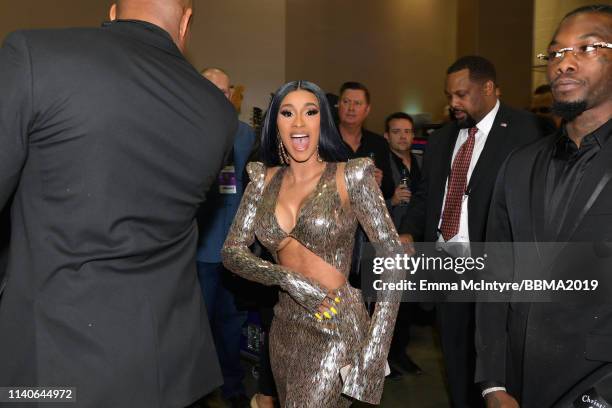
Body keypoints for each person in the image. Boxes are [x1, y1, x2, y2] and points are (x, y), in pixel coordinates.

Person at [0, 1, 237, 407]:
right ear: (185, 22)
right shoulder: (217, 110)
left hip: (53, 367)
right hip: (169, 367)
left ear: (112, 12)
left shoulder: (35, 57)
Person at [222, 80, 403, 406]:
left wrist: (374, 355)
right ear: (275, 123)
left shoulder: (352, 176)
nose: (299, 123)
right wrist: (285, 277)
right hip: (284, 326)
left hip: (336, 323)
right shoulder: (262, 180)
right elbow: (232, 251)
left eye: (310, 112)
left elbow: (393, 259)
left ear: (324, 121)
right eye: (287, 113)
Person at [476, 5, 612, 407]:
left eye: (586, 48)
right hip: (519, 384)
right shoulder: (519, 165)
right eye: (555, 53)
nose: (564, 64)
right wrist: (493, 383)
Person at [399, 56, 541, 407]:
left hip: (498, 270)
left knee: (499, 364)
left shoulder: (530, 131)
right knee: (457, 357)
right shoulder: (442, 138)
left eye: (461, 95)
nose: (453, 104)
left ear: (489, 88)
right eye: (449, 95)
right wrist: (408, 232)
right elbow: (426, 195)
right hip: (448, 264)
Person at [196, 67, 255, 408]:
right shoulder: (186, 132)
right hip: (199, 253)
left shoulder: (246, 136)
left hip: (234, 253)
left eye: (224, 90)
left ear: (232, 93)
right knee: (199, 324)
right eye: (211, 89)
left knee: (232, 324)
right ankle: (200, 390)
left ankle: (232, 386)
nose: (219, 96)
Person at [383, 112, 424, 378]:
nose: (403, 136)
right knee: (387, 306)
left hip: (414, 244)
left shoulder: (420, 163)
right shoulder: (380, 166)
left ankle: (400, 354)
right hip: (388, 242)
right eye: (396, 131)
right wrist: (390, 199)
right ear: (387, 136)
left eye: (407, 131)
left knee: (407, 305)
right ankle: (384, 360)